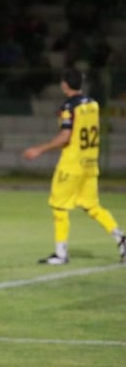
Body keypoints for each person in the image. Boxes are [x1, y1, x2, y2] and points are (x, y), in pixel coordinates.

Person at [22, 67, 125, 264]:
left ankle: (61, 254)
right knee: (93, 206)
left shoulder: (68, 107)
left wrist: (39, 149)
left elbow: (65, 136)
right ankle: (120, 238)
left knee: (59, 206)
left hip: (72, 164)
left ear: (64, 84)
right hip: (90, 163)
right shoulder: (94, 104)